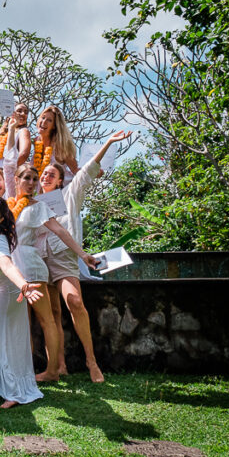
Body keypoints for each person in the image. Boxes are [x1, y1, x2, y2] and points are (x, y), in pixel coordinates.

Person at [39, 130, 133, 382]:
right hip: (39, 260)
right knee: (53, 314)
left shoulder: (70, 195)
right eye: (44, 173)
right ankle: (58, 367)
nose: (46, 176)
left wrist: (109, 142)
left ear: (60, 181)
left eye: (52, 174)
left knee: (75, 303)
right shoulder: (33, 203)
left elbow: (86, 170)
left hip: (64, 258)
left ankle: (92, 362)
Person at [8, 164, 98, 382]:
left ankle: (53, 371)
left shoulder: (39, 206)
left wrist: (83, 254)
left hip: (32, 265)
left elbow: (60, 230)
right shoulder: (8, 205)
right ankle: (24, 370)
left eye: (33, 179)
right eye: (26, 178)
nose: (31, 183)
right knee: (22, 321)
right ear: (16, 180)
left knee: (46, 318)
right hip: (13, 267)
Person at [0, 196, 45, 408]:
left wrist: (23, 284)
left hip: (9, 292)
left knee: (0, 342)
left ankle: (12, 391)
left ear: (0, 219)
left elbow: (6, 264)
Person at [33, 105, 78, 184]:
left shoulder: (60, 145)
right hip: (42, 190)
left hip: (61, 190)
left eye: (49, 120)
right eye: (43, 118)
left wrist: (91, 172)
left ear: (54, 126)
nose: (44, 122)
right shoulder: (37, 141)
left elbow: (75, 169)